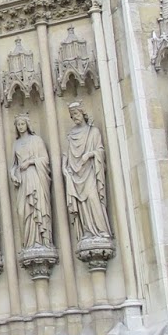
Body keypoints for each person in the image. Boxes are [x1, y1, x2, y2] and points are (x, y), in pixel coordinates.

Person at [62, 102, 111, 242]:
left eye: (76, 114)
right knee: (82, 204)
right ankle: (88, 231)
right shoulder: (71, 134)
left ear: (83, 113)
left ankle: (101, 230)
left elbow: (100, 150)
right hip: (75, 173)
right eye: (72, 116)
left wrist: (90, 155)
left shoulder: (93, 132)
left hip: (89, 171)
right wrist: (63, 167)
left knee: (93, 198)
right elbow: (66, 153)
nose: (74, 117)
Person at [10, 114, 53, 249]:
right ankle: (30, 242)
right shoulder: (16, 144)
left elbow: (45, 159)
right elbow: (13, 165)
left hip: (35, 177)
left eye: (23, 124)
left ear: (27, 125)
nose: (21, 127)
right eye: (18, 124)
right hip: (23, 180)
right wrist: (13, 174)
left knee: (38, 207)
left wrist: (29, 162)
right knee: (24, 211)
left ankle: (42, 240)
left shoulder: (36, 140)